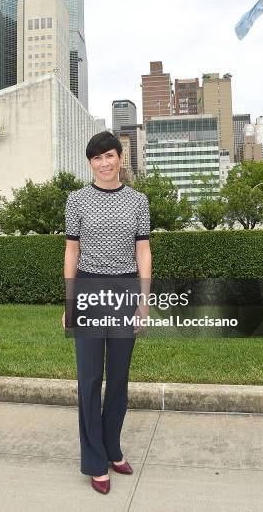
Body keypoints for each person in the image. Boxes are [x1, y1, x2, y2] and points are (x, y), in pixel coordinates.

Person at [62, 131, 152, 495]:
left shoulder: (138, 201)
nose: (104, 163)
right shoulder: (76, 200)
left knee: (118, 380)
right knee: (89, 380)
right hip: (87, 289)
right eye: (97, 158)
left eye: (109, 156)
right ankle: (95, 460)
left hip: (125, 291)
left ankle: (113, 447)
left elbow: (143, 251)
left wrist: (143, 300)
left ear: (120, 158)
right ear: (90, 164)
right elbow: (71, 251)